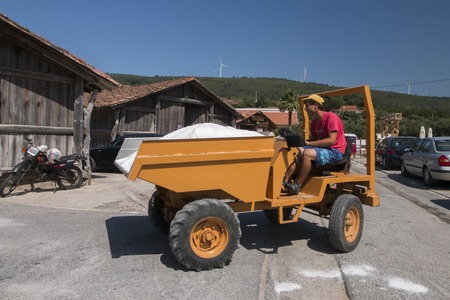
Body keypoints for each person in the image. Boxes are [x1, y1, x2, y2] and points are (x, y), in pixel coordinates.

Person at [283, 94, 347, 195]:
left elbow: (331, 140)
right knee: (298, 151)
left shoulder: (331, 118)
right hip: (323, 149)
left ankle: (297, 185)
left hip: (335, 151)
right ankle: (285, 181)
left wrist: (309, 143)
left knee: (307, 153)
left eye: (307, 106)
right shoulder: (314, 122)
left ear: (315, 105)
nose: (305, 109)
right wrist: (301, 142)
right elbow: (313, 139)